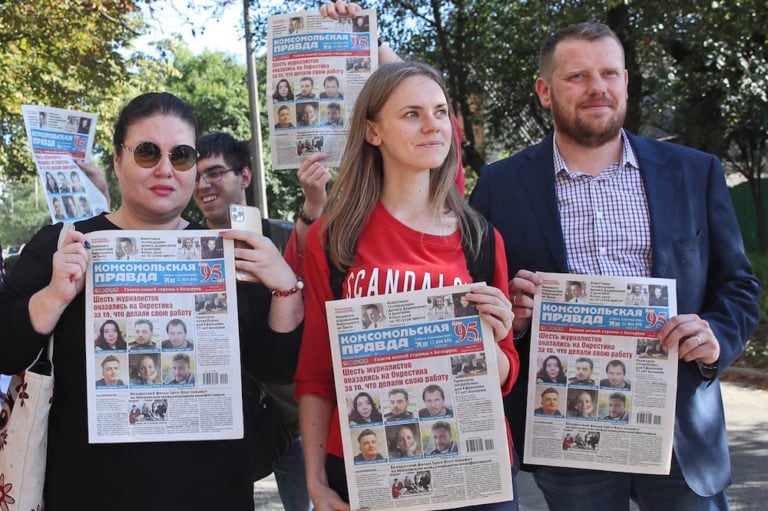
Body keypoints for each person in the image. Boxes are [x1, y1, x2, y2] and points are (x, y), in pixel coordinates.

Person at [0, 92, 302, 510]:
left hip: (210, 491)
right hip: (88, 490)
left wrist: (285, 286)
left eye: (181, 156)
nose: (165, 169)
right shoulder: (64, 244)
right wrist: (53, 297)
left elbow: (276, 365)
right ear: (118, 160)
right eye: (146, 152)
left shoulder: (224, 250)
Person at [295, 61, 519, 510]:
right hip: (369, 464)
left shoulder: (480, 238)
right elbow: (316, 373)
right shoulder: (333, 237)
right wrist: (316, 483)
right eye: (412, 114)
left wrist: (490, 338)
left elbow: (504, 373)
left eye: (439, 112)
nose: (432, 126)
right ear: (373, 132)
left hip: (473, 466)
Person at [192, 131, 309, 511]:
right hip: (222, 424)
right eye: (194, 176)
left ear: (244, 177)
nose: (203, 185)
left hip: (293, 421)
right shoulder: (186, 250)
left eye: (214, 173)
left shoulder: (285, 238)